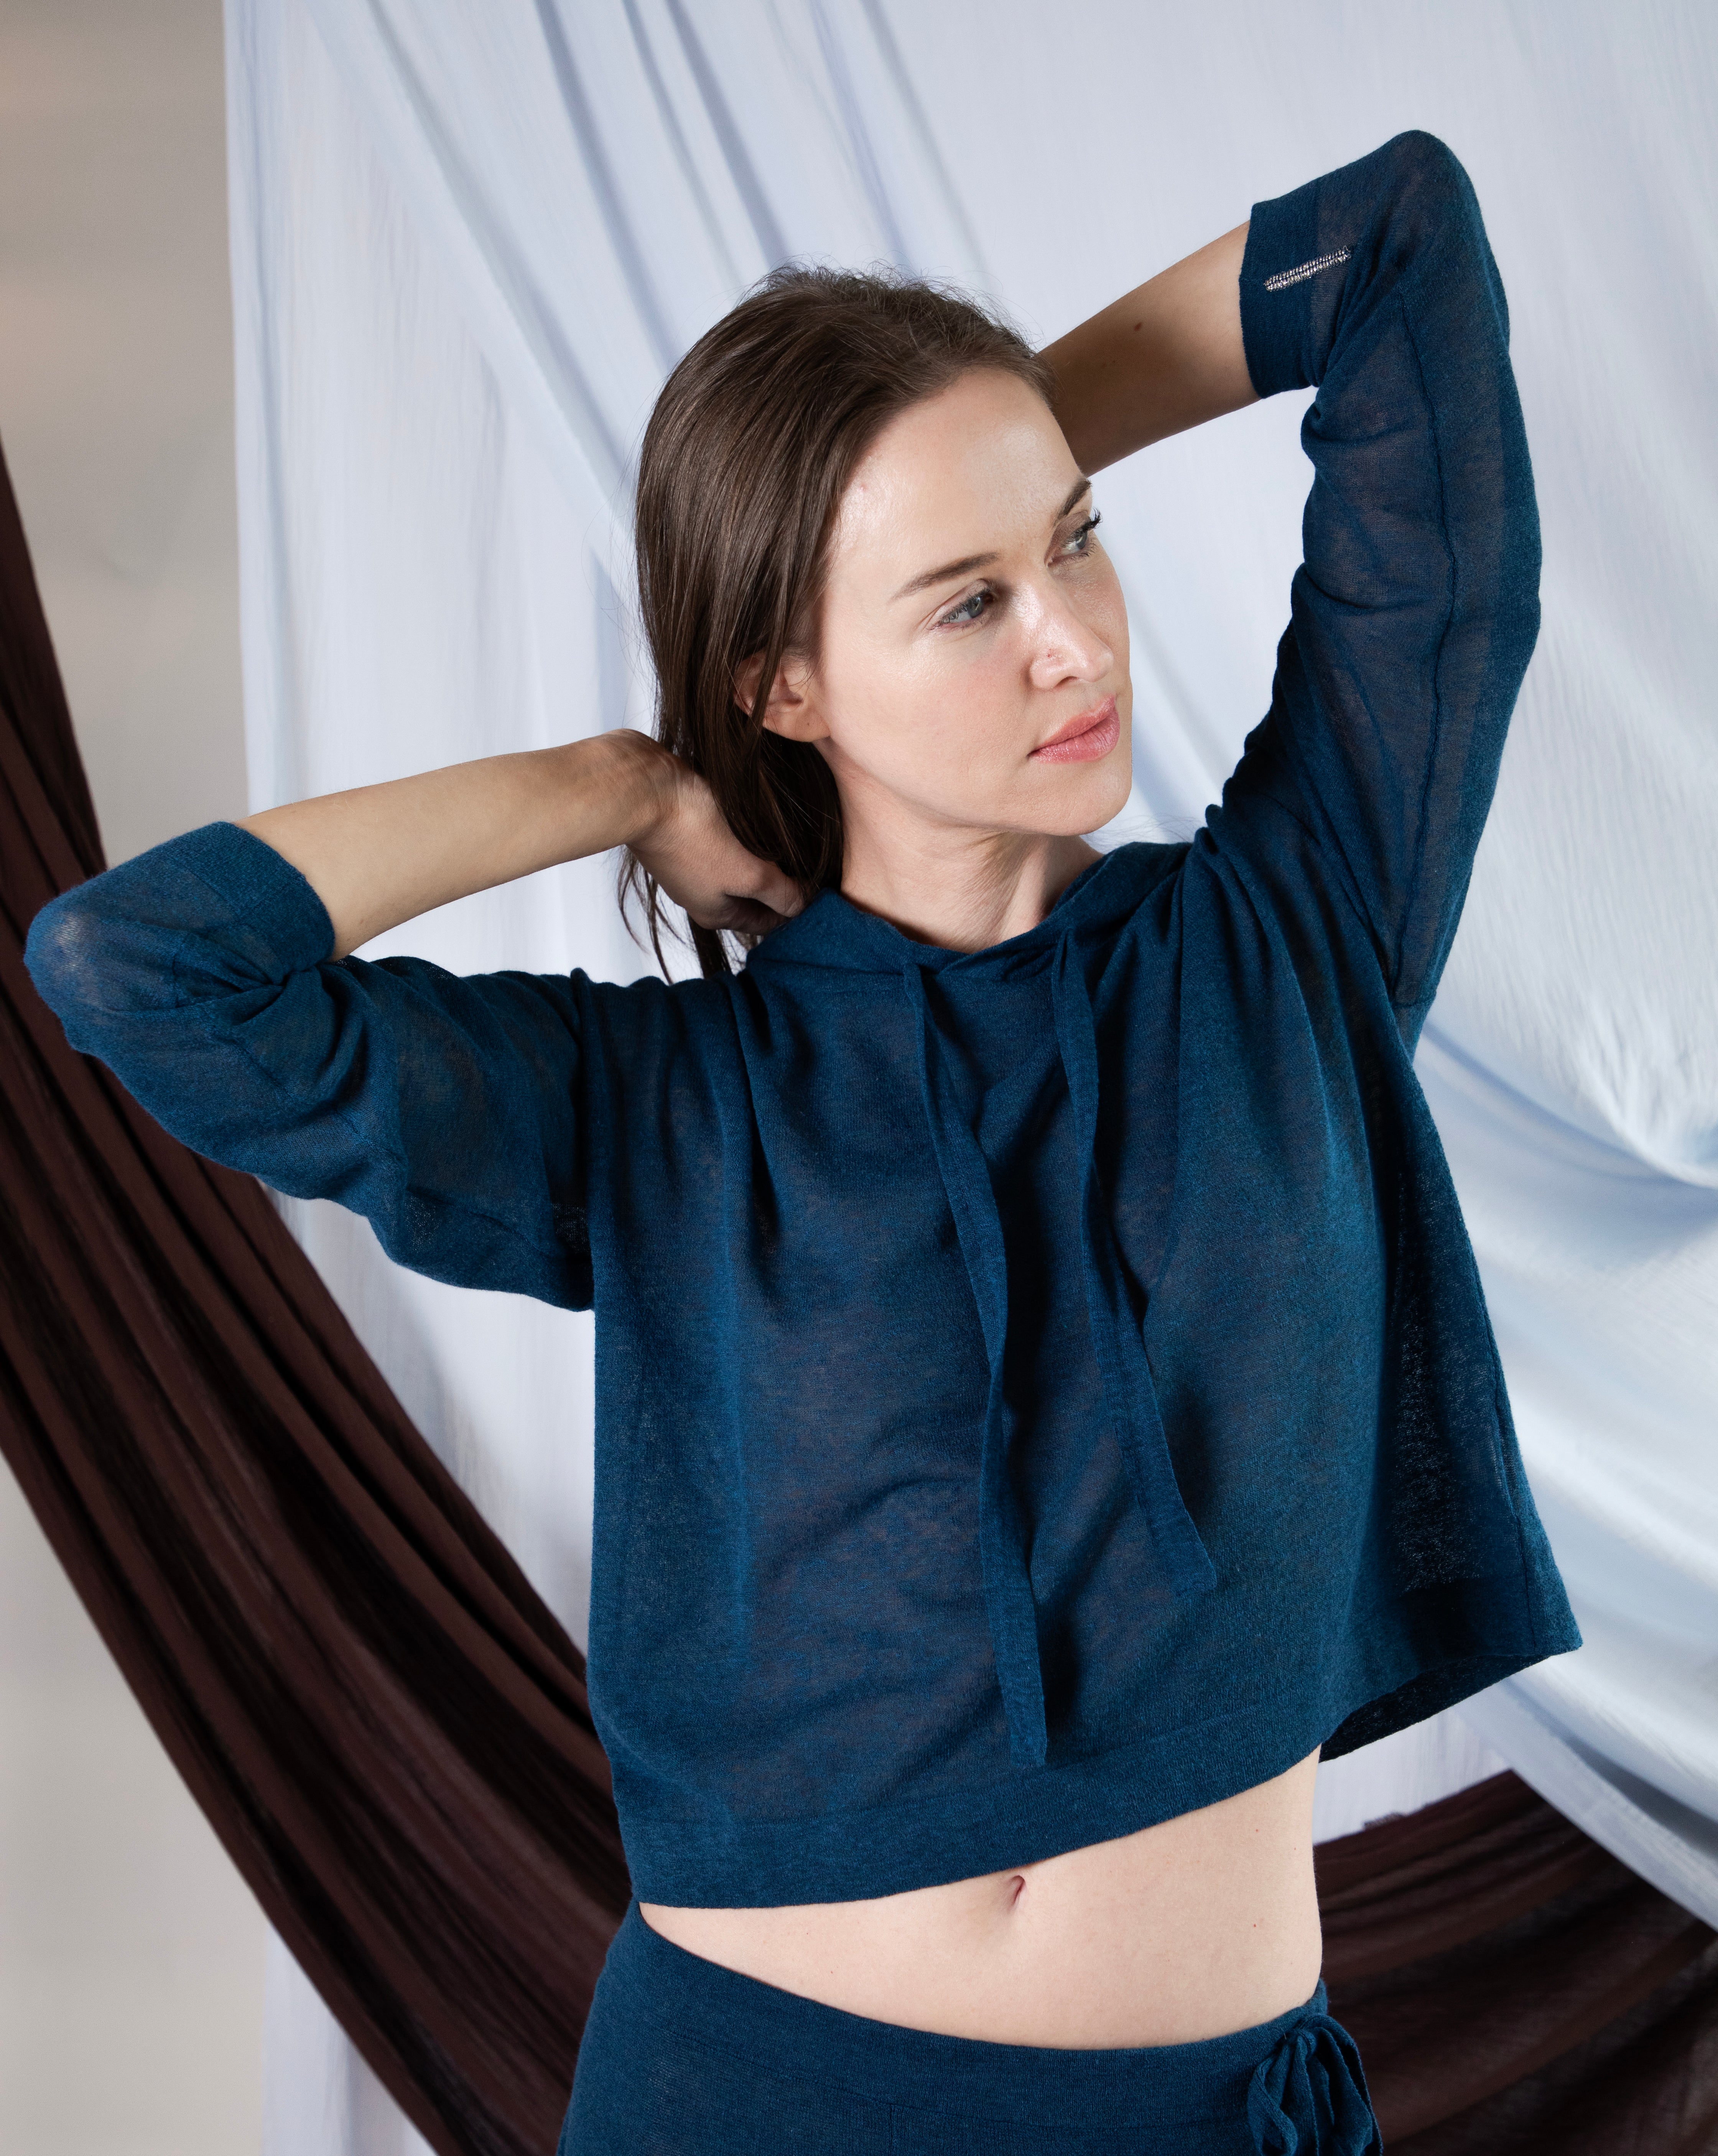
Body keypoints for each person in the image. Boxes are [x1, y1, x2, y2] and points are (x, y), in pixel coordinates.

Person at [27, 132, 1577, 2153]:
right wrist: (611, 782)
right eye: (967, 602)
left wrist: (989, 450)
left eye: (1077, 543)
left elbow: (1397, 248)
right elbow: (138, 966)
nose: (1075, 641)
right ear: (781, 678)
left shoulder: (1292, 937)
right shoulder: (655, 1102)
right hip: (751, 2099)